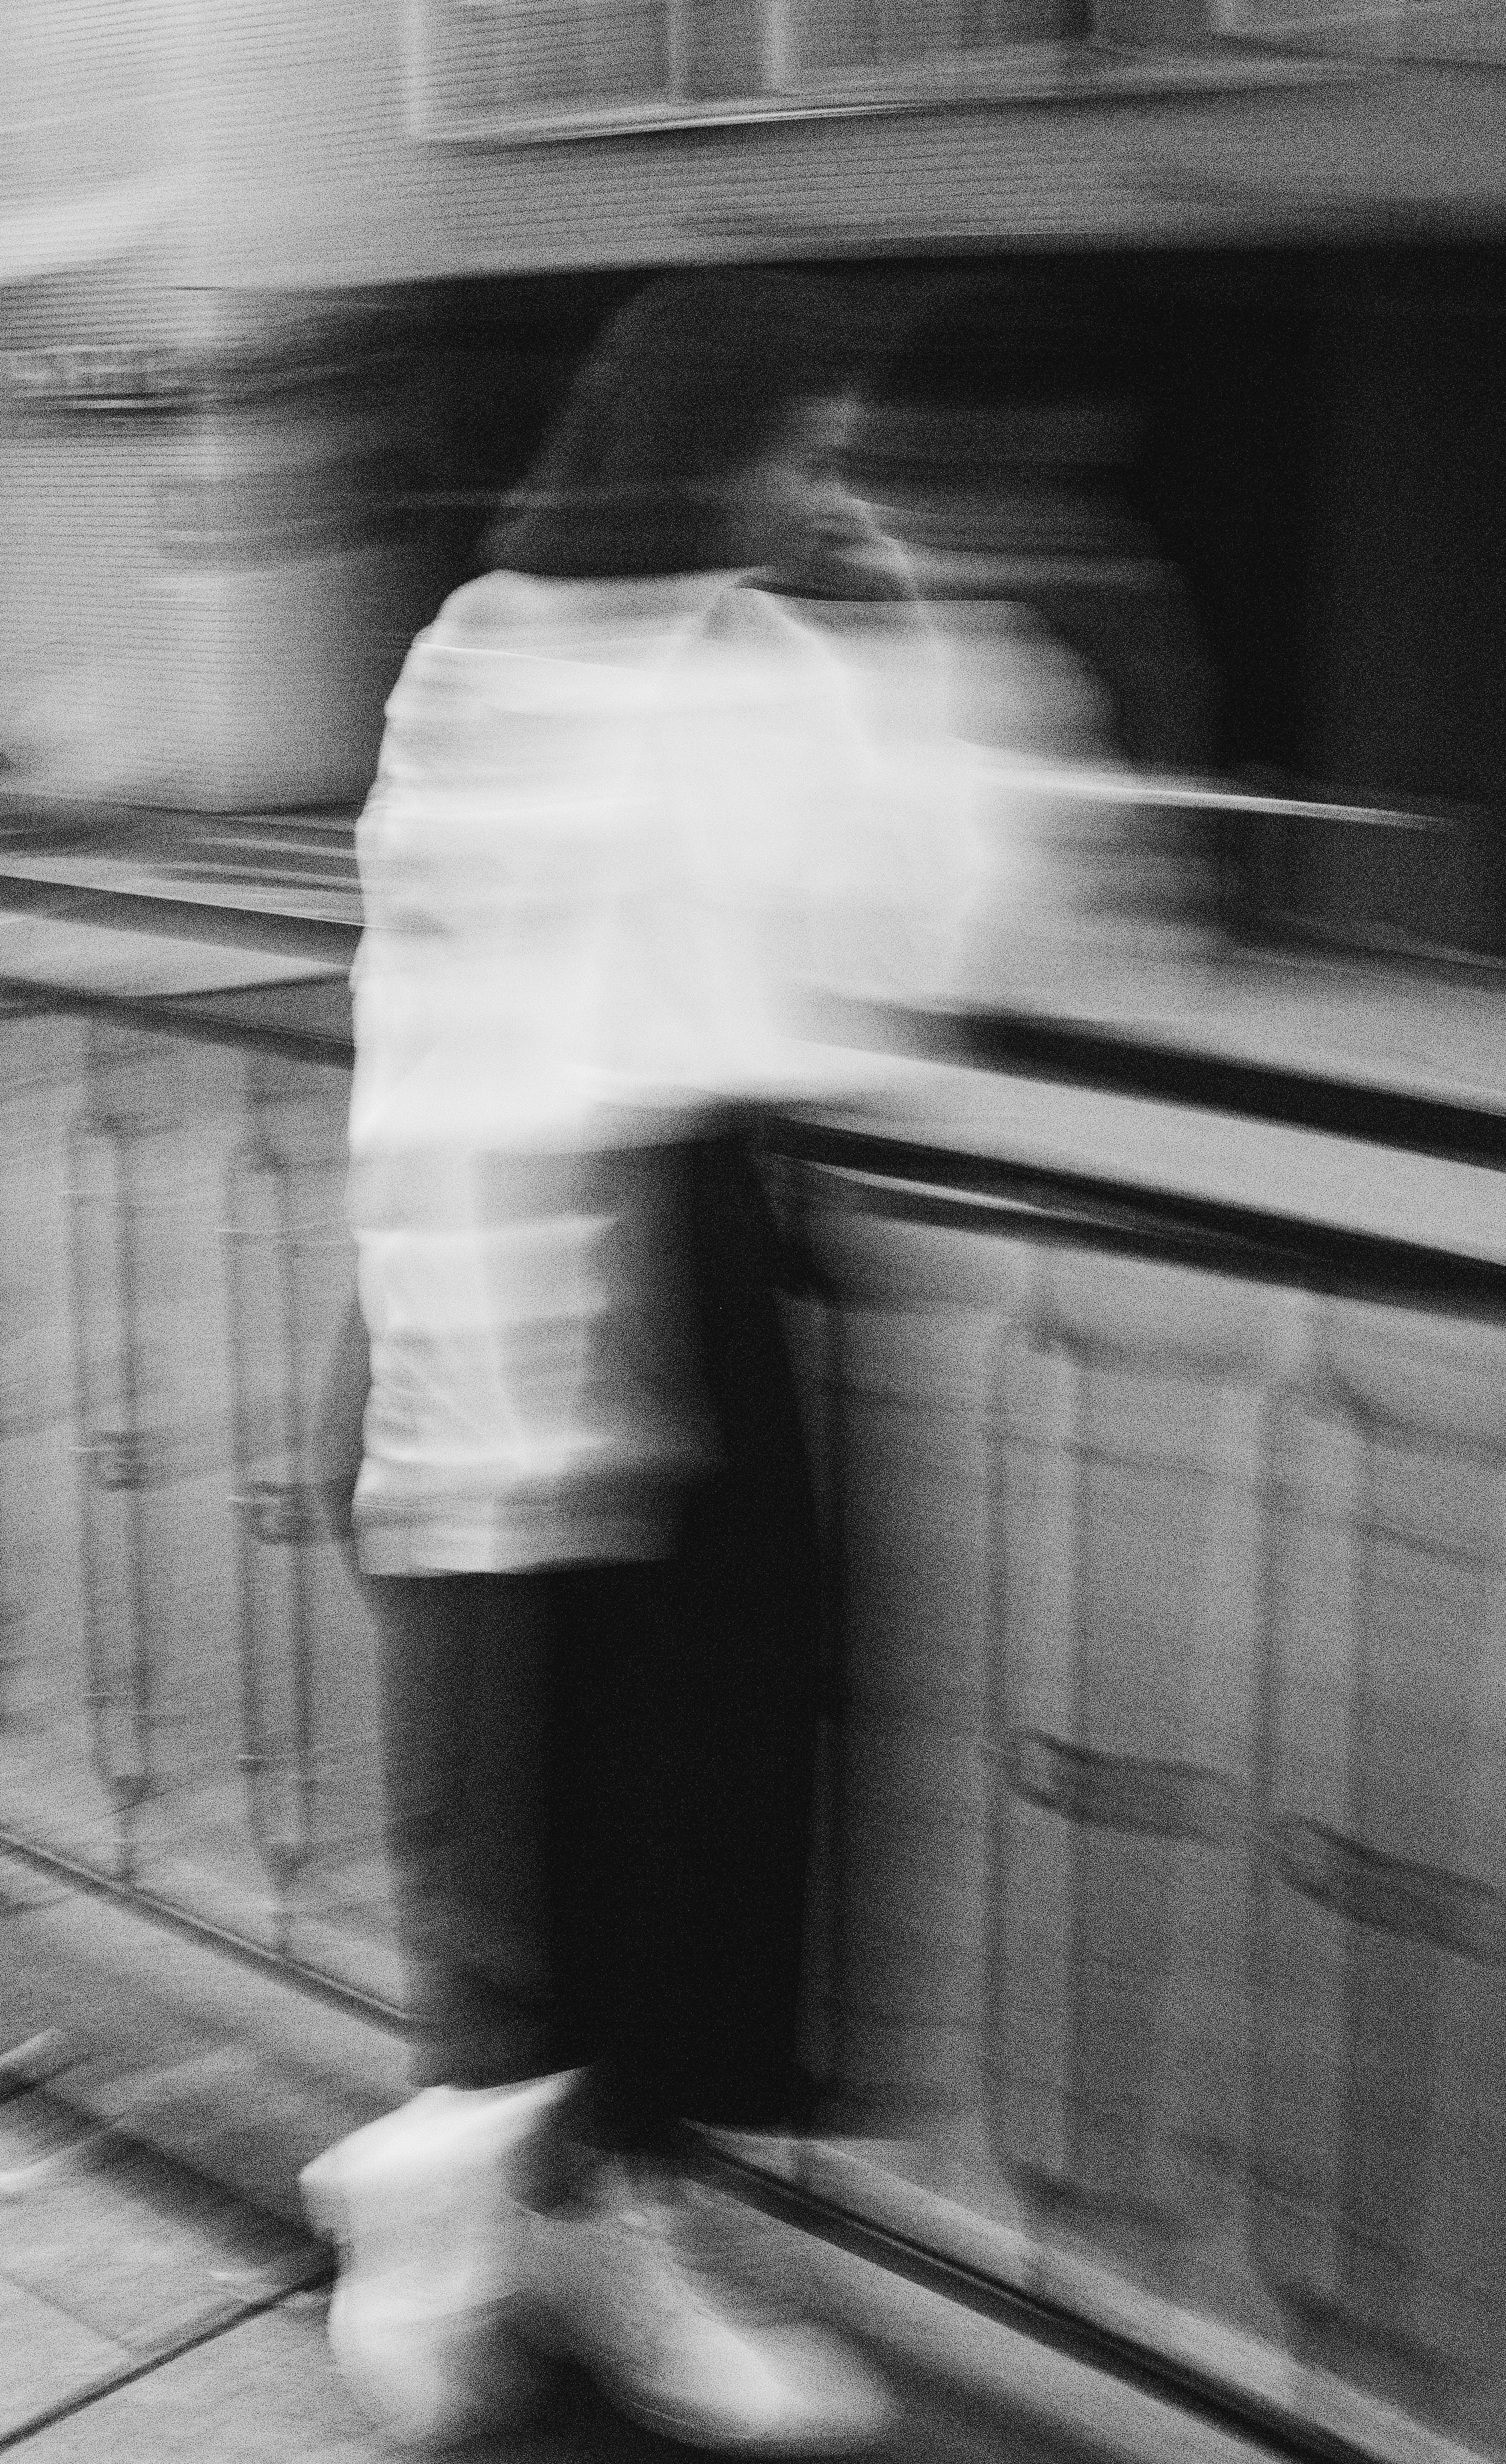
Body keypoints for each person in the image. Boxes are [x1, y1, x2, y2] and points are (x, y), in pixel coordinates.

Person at [308, 271, 977, 2452]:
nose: (822, 484)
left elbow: (887, 962)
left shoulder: (662, 655)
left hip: (629, 1254)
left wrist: (883, 646)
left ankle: (547, 2214)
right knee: (541, 1811)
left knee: (660, 1822)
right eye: (805, 437)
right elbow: (862, 973)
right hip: (551, 1259)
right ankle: (492, 2204)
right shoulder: (523, 657)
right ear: (706, 436)